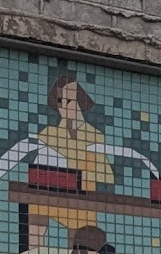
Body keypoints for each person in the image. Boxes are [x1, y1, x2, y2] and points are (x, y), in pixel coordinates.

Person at [31, 75, 114, 245]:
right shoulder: (48, 134)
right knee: (34, 203)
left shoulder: (94, 137)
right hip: (51, 191)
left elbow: (105, 175)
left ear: (80, 102)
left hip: (82, 197)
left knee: (82, 228)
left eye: (68, 101)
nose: (63, 106)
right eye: (59, 101)